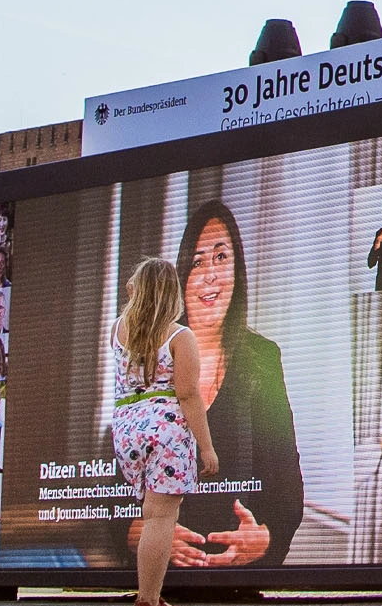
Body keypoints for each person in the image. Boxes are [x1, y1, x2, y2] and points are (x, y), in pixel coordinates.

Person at [126, 202, 304, 569]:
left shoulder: (263, 357)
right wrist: (137, 533)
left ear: (238, 272)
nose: (209, 275)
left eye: (221, 258)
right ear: (181, 279)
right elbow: (121, 470)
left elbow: (288, 485)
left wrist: (265, 539)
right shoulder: (152, 354)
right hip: (162, 578)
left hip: (239, 589)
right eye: (197, 262)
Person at [109, 257, 219, 606]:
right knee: (161, 519)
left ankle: (148, 598)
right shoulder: (179, 336)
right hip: (166, 431)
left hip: (126, 429)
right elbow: (188, 395)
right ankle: (148, 602)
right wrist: (206, 446)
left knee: (148, 514)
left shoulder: (118, 329)